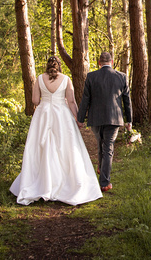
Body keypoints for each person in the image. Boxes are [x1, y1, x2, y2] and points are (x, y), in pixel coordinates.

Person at [10, 56, 102, 205]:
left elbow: (35, 101)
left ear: (47, 66)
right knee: (65, 148)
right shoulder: (66, 79)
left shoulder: (40, 78)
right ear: (59, 66)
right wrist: (78, 119)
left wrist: (45, 100)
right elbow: (71, 101)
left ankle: (42, 183)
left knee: (42, 147)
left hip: (43, 114)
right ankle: (66, 184)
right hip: (61, 115)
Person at [77, 52, 132, 192]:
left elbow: (85, 100)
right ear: (112, 62)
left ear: (99, 62)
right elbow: (127, 101)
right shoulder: (122, 77)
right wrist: (129, 120)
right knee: (108, 148)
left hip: (95, 118)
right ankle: (104, 183)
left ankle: (102, 171)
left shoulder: (91, 76)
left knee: (101, 144)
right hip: (114, 118)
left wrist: (80, 119)